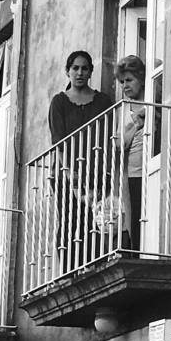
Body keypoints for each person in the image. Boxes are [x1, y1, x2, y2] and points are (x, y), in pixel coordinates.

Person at [48, 51, 113, 271]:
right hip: (66, 173)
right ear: (68, 71)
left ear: (91, 72)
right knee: (68, 220)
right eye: (75, 68)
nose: (79, 72)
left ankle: (92, 265)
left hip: (94, 172)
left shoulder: (102, 101)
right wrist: (68, 171)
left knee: (92, 219)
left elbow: (106, 136)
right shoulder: (59, 102)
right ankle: (68, 269)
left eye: (84, 68)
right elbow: (58, 138)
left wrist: (104, 170)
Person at [114, 55, 146, 252]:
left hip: (150, 166)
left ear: (141, 79)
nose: (125, 85)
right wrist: (135, 124)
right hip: (132, 171)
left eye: (129, 80)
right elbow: (119, 143)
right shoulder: (125, 108)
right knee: (134, 216)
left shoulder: (152, 101)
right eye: (122, 81)